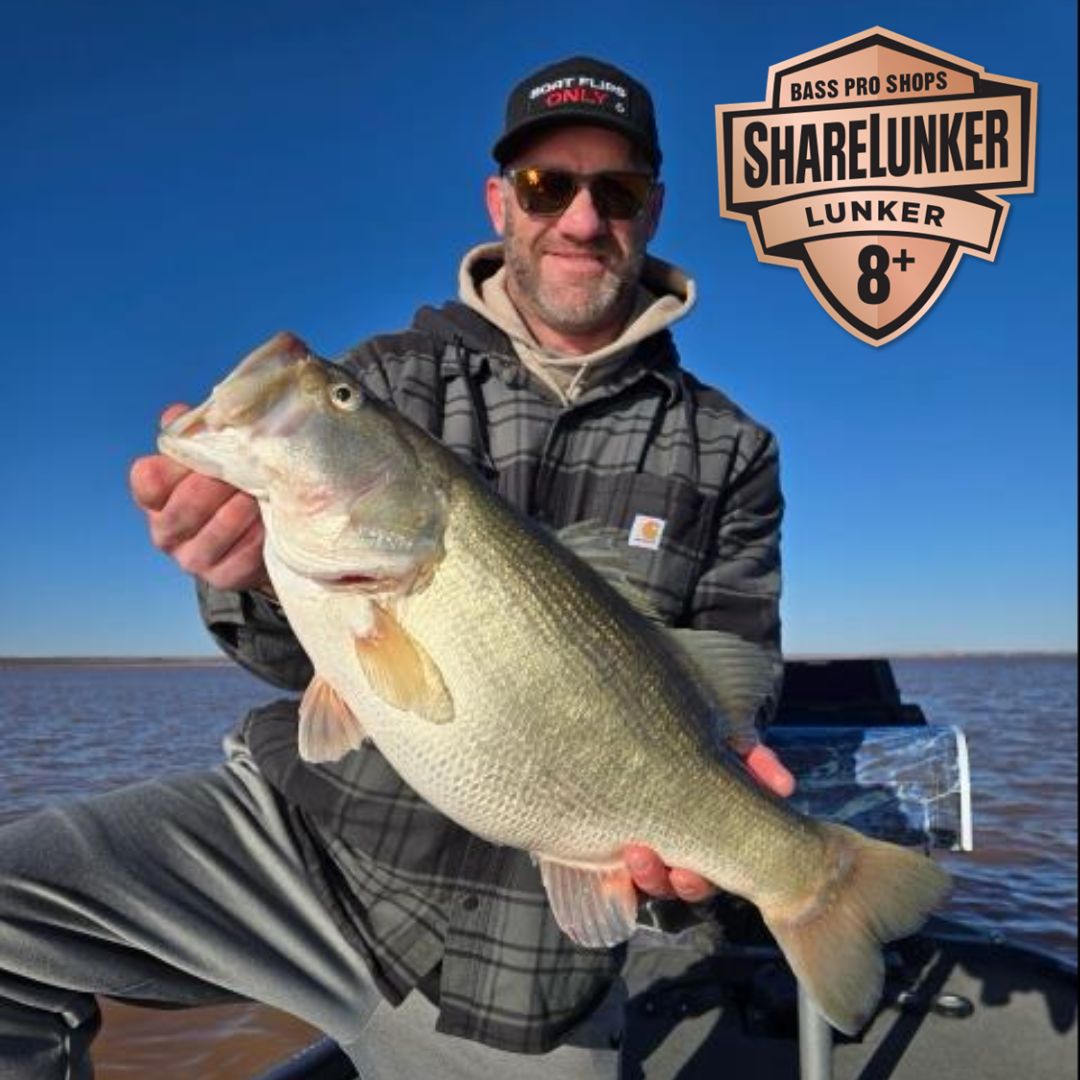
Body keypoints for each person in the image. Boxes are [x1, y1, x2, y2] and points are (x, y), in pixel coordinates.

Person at [0, 56, 789, 1078]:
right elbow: (293, 659)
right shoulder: (384, 378)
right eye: (548, 185)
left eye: (619, 191)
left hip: (530, 959)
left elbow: (732, 673)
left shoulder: (732, 447)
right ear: (500, 201)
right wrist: (245, 570)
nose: (583, 219)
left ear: (654, 210)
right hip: (309, 843)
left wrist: (716, 829)